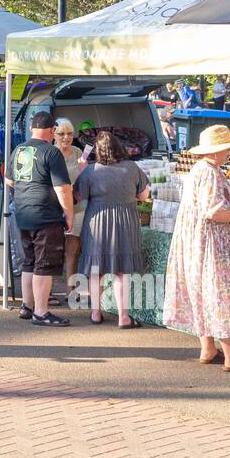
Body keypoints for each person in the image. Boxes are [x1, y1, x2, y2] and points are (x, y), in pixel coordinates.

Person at [162, 125, 230, 371]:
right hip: (212, 243)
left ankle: (208, 347)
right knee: (219, 293)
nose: (229, 152)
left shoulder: (199, 170)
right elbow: (214, 212)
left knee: (202, 292)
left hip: (195, 240)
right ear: (217, 151)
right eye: (226, 148)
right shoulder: (211, 173)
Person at [6, 111, 74, 327]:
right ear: (52, 130)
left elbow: (8, 180)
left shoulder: (18, 149)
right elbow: (63, 189)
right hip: (46, 215)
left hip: (23, 213)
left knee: (29, 262)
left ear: (31, 129)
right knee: (44, 265)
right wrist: (69, 215)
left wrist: (26, 189)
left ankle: (27, 306)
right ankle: (41, 312)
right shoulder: (52, 153)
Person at [75, 132, 150, 327]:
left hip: (96, 222)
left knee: (95, 270)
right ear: (119, 147)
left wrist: (81, 170)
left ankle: (95, 313)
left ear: (98, 150)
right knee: (121, 271)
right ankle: (123, 317)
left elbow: (78, 196)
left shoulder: (91, 171)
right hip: (125, 221)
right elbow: (144, 195)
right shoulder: (132, 168)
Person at [52, 118, 88, 305]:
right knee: (52, 250)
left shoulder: (78, 152)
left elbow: (83, 181)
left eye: (69, 134)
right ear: (54, 135)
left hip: (77, 208)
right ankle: (47, 291)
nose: (66, 137)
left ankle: (70, 290)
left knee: (73, 250)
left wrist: (84, 171)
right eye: (62, 134)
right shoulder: (50, 153)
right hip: (55, 209)